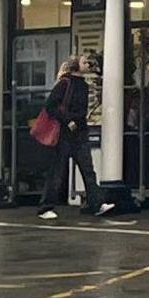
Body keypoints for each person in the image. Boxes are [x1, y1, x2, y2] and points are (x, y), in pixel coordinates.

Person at [39, 55, 99, 220]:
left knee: (88, 169)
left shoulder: (83, 85)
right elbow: (50, 106)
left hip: (80, 132)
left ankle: (95, 203)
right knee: (57, 171)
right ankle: (46, 206)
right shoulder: (65, 83)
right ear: (76, 66)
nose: (88, 63)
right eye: (84, 61)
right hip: (64, 133)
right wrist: (68, 120)